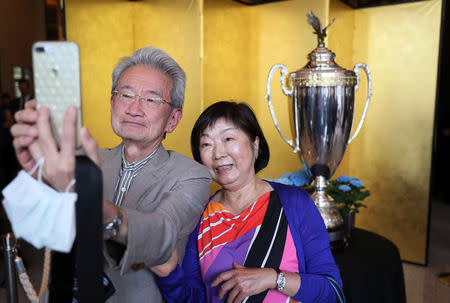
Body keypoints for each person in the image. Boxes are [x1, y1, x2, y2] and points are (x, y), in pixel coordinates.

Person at [10, 47, 211, 303]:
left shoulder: (191, 175)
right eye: (126, 94)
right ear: (112, 103)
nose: (134, 108)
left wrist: (91, 201)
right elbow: (35, 227)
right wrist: (36, 177)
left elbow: (161, 235)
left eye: (151, 100)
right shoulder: (83, 160)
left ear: (173, 119)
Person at [151, 101, 342, 303]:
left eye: (228, 138)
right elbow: (193, 299)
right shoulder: (198, 218)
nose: (218, 154)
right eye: (207, 144)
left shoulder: (295, 204)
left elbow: (332, 292)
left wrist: (273, 278)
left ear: (255, 144)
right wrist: (168, 274)